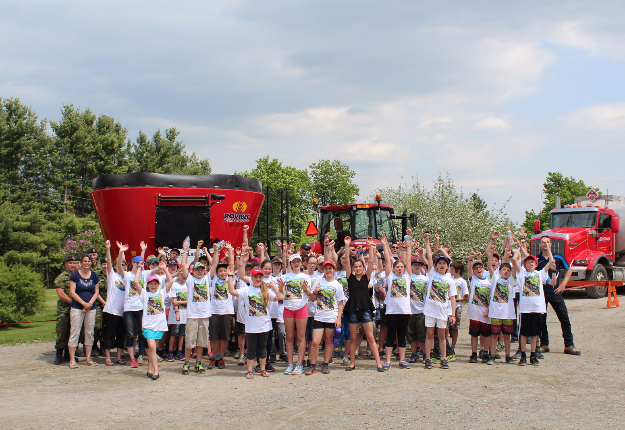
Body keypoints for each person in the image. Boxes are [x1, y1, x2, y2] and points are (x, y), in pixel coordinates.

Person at [227, 266, 283, 379]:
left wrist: (274, 286)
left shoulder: (266, 290)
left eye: (260, 277)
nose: (258, 279)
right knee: (251, 348)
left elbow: (280, 297)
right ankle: (249, 371)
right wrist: (230, 276)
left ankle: (262, 369)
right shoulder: (246, 290)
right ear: (251, 278)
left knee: (262, 348)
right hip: (251, 326)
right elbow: (232, 291)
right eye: (256, 277)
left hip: (264, 324)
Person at [536, 236, 581, 356]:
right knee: (541, 320)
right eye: (542, 242)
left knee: (564, 318)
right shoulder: (537, 259)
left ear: (551, 244)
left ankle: (569, 345)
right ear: (540, 245)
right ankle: (544, 344)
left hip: (555, 292)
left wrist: (564, 284)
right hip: (541, 294)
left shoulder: (558, 257)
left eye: (547, 242)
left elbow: (569, 270)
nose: (545, 244)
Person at [343, 236, 383, 371]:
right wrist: (347, 246)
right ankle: (352, 363)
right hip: (353, 310)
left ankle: (378, 363)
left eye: (360, 266)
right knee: (353, 338)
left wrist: (371, 245)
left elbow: (371, 261)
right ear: (353, 268)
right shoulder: (350, 278)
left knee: (371, 337)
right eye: (356, 267)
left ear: (363, 268)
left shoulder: (367, 277)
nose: (358, 268)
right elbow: (347, 262)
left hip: (366, 309)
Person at [511, 243, 553, 366]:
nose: (530, 264)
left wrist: (549, 249)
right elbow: (514, 259)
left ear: (536, 265)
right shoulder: (522, 274)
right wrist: (519, 246)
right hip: (525, 309)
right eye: (528, 262)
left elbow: (551, 261)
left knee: (535, 333)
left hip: (537, 308)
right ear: (524, 264)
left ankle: (533, 354)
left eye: (532, 262)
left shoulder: (540, 273)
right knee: (523, 333)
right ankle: (523, 354)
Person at [133, 261, 173, 379]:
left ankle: (149, 369)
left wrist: (165, 269)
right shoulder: (144, 294)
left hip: (159, 324)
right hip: (148, 325)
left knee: (153, 349)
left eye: (155, 284)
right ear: (148, 285)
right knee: (151, 347)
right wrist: (140, 268)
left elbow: (170, 281)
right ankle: (156, 371)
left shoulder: (162, 293)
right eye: (151, 284)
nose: (153, 286)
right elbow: (136, 282)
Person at [422, 233, 457, 369]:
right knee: (429, 334)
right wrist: (427, 242)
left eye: (444, 264)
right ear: (436, 266)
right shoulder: (432, 274)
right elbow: (430, 257)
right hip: (430, 310)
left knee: (442, 335)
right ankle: (428, 359)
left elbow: (453, 297)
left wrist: (452, 314)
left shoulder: (450, 280)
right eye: (440, 263)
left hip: (443, 310)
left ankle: (443, 359)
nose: (442, 265)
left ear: (448, 266)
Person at [379, 234, 412, 370]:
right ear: (393, 269)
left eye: (401, 267)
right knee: (391, 334)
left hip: (404, 311)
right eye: (397, 267)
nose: (399, 268)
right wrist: (385, 244)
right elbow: (387, 258)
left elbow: (408, 260)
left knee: (402, 336)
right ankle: (387, 360)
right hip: (392, 311)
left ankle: (402, 360)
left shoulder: (407, 277)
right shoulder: (390, 276)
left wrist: (408, 245)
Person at [307, 260, 345, 375]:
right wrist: (315, 291)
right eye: (326, 268)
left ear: (333, 270)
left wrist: (338, 318)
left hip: (331, 316)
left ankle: (325, 364)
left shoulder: (337, 285)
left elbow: (340, 303)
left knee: (328, 341)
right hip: (319, 316)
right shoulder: (319, 281)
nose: (328, 270)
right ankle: (312, 365)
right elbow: (312, 299)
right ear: (323, 270)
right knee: (315, 342)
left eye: (330, 268)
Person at [180, 241, 212, 375]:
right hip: (192, 315)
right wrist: (186, 251)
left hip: (204, 315)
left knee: (201, 341)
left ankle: (198, 362)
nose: (200, 272)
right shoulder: (190, 280)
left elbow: (213, 264)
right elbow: (183, 265)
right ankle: (187, 363)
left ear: (205, 271)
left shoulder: (207, 278)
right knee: (189, 341)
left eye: (202, 269)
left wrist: (215, 251)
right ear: (193, 271)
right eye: (197, 270)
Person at [279, 248, 311, 376]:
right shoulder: (285, 276)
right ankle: (290, 363)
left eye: (298, 261)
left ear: (301, 263)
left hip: (301, 307)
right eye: (294, 261)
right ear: (290, 264)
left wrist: (305, 289)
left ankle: (299, 364)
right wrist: (281, 287)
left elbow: (309, 294)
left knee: (301, 337)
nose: (296, 263)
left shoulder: (305, 276)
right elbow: (281, 293)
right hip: (288, 308)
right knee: (290, 337)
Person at [117, 241, 148, 368]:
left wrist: (143, 251)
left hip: (141, 308)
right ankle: (132, 358)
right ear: (133, 264)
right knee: (130, 334)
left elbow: (149, 266)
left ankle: (140, 354)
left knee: (142, 332)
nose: (141, 265)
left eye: (142, 263)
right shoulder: (127, 275)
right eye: (138, 263)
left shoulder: (144, 274)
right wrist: (120, 252)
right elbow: (119, 266)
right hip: (129, 309)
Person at [67, 254, 100, 368]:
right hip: (77, 307)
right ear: (80, 263)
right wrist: (83, 304)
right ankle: (72, 360)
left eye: (89, 261)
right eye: (85, 261)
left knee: (89, 333)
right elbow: (72, 292)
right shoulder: (75, 275)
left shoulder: (94, 275)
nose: (87, 263)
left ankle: (88, 358)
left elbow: (96, 292)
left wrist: (90, 304)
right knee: (75, 332)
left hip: (91, 308)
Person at [484, 248, 516, 364]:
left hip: (508, 314)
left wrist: (511, 256)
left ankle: (508, 355)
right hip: (496, 313)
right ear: (499, 271)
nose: (506, 271)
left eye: (508, 270)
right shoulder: (495, 278)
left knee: (507, 337)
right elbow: (488, 266)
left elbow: (516, 268)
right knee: (494, 336)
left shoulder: (512, 281)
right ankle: (491, 355)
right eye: (504, 269)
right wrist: (491, 253)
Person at [209, 242, 234, 369]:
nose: (223, 273)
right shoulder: (212, 279)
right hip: (214, 311)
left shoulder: (231, 278)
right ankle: (213, 357)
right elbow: (214, 264)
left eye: (225, 270)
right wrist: (216, 250)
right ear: (217, 273)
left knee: (224, 337)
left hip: (227, 311)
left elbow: (232, 265)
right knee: (214, 337)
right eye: (221, 271)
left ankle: (221, 357)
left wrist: (230, 250)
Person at [102, 241, 127, 366]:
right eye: (120, 265)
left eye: (124, 265)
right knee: (109, 335)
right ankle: (107, 357)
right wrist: (109, 249)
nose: (121, 266)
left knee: (121, 335)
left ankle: (118, 357)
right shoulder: (112, 275)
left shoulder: (127, 278)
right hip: (111, 310)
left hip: (123, 312)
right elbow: (110, 262)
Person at [467, 252, 492, 363]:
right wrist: (470, 259)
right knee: (474, 334)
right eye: (476, 268)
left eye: (480, 267)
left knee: (486, 334)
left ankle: (485, 352)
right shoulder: (473, 280)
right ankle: (473, 353)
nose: (478, 269)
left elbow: (492, 297)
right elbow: (469, 268)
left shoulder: (489, 281)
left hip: (486, 312)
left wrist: (488, 309)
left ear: (483, 268)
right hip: (474, 313)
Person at [54, 255, 78, 365]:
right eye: (70, 263)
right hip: (65, 309)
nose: (72, 265)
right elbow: (60, 293)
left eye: (74, 263)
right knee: (62, 331)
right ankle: (59, 354)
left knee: (73, 331)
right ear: (65, 264)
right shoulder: (61, 277)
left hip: (77, 308)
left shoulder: (78, 276)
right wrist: (72, 302)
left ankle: (69, 355)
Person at [407, 255, 428, 364]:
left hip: (421, 311)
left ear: (422, 267)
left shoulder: (426, 279)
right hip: (409, 311)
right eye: (415, 264)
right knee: (411, 334)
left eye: (419, 265)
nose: (417, 267)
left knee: (422, 334)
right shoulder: (408, 277)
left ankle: (425, 353)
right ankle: (414, 352)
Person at [167, 261, 187, 362]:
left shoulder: (188, 285)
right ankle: (170, 351)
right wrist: (177, 312)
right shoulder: (174, 285)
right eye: (180, 274)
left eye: (184, 274)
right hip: (175, 314)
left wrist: (178, 302)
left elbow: (189, 301)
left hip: (185, 314)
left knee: (182, 333)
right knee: (174, 333)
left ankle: (179, 351)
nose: (182, 276)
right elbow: (173, 300)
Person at [449, 260, 469, 361]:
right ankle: (446, 346)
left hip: (457, 307)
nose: (450, 271)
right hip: (448, 307)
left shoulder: (462, 281)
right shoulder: (449, 278)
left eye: (451, 269)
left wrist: (454, 299)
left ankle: (453, 347)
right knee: (445, 327)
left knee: (455, 328)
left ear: (457, 271)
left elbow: (466, 298)